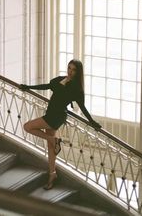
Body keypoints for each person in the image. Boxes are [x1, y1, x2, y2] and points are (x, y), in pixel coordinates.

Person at [19, 59, 101, 190]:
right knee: (51, 148)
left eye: (73, 70)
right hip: (51, 113)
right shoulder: (60, 79)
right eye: (69, 68)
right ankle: (52, 174)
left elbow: (83, 108)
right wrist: (28, 87)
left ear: (78, 72)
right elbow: (46, 86)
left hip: (56, 116)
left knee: (27, 126)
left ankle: (54, 139)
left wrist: (92, 122)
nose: (70, 71)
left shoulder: (76, 89)